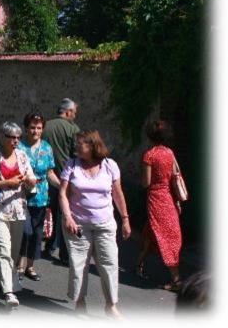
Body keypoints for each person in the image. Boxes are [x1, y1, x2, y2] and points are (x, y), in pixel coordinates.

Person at [59, 130, 131, 318]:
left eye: (80, 143)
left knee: (109, 263)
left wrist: (125, 219)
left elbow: (117, 194)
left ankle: (111, 305)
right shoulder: (71, 165)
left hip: (105, 224)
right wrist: (68, 217)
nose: (76, 146)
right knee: (79, 265)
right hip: (78, 225)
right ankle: (80, 303)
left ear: (92, 146)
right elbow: (62, 194)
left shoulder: (109, 165)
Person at [0, 122, 36, 308]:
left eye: (18, 138)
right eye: (12, 137)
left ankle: (1, 279)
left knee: (13, 252)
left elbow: (31, 178)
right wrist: (7, 182)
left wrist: (30, 180)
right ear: (2, 137)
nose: (16, 141)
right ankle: (9, 292)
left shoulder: (22, 156)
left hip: (18, 209)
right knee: (3, 249)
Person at [135, 120, 183, 291]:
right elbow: (173, 177)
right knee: (161, 231)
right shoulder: (169, 153)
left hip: (155, 197)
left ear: (150, 136)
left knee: (160, 233)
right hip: (168, 196)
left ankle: (176, 280)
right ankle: (139, 264)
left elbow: (146, 183)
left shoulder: (150, 155)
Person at [17, 112, 60, 281]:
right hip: (21, 195)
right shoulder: (19, 147)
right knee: (25, 232)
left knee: (36, 233)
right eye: (32, 128)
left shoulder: (47, 148)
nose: (36, 131)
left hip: (41, 196)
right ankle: (19, 266)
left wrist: (62, 186)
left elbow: (50, 173)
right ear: (26, 128)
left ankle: (30, 267)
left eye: (39, 128)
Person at [42, 97, 80, 265]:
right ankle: (65, 253)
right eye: (74, 113)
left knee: (49, 211)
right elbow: (77, 153)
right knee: (66, 214)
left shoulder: (45, 126)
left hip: (47, 175)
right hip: (66, 177)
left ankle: (48, 245)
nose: (75, 116)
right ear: (68, 112)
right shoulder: (73, 129)